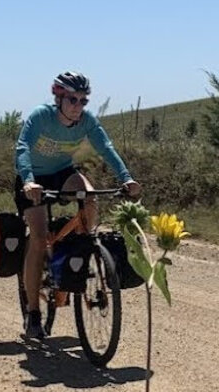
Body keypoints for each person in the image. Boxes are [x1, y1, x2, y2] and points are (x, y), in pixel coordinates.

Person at [14, 71, 141, 339]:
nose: (78, 106)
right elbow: (23, 146)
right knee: (37, 238)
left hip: (62, 173)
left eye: (83, 101)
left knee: (89, 195)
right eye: (73, 99)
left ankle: (83, 247)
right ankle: (34, 315)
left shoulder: (87, 122)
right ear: (58, 97)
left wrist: (127, 179)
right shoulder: (41, 116)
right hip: (33, 179)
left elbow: (106, 148)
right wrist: (28, 181)